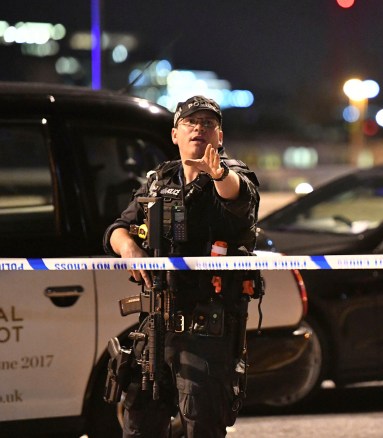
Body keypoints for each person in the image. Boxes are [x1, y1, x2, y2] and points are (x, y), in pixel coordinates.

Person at [104, 95, 260, 437]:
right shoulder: (159, 180)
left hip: (207, 332)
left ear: (220, 136)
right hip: (155, 327)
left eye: (208, 124)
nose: (199, 129)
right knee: (138, 427)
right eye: (191, 122)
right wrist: (129, 247)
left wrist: (218, 173)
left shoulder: (233, 176)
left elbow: (237, 196)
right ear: (175, 134)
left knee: (201, 428)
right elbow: (117, 228)